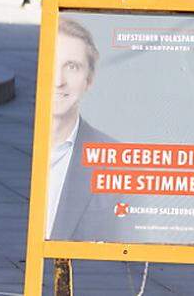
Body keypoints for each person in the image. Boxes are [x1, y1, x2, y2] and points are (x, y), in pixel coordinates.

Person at [48, 18, 116, 241]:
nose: (59, 81)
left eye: (72, 67)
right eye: (52, 64)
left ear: (89, 80)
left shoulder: (112, 160)